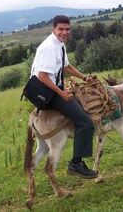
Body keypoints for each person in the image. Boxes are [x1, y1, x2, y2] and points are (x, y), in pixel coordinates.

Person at [30, 15, 97, 179]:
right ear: (54, 29)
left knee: (82, 107)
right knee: (86, 122)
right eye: (61, 29)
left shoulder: (59, 45)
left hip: (52, 89)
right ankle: (76, 163)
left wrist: (83, 77)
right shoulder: (49, 48)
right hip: (47, 94)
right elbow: (43, 76)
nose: (64, 32)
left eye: (67, 29)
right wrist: (62, 94)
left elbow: (66, 66)